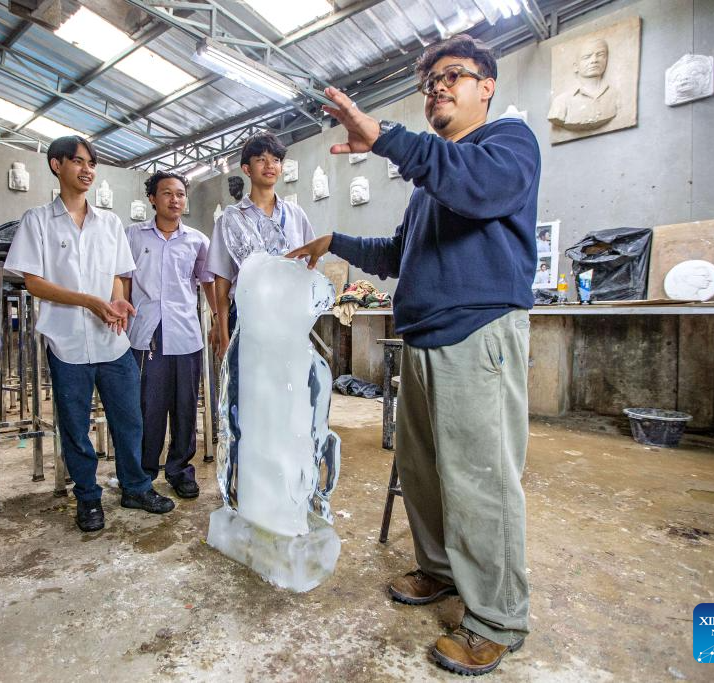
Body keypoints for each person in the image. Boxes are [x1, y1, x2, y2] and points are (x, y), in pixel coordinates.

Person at [288, 34, 541, 676]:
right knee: (425, 474)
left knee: (481, 483)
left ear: (486, 85)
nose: (438, 89)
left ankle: (498, 619)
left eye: (451, 76)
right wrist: (334, 240)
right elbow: (400, 254)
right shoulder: (433, 179)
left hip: (478, 336)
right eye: (430, 82)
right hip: (425, 339)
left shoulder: (506, 144)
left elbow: (479, 188)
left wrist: (388, 138)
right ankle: (440, 571)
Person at [5, 136, 174, 533]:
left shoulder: (110, 223)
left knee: (129, 418)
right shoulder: (37, 221)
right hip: (66, 342)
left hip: (112, 340)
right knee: (75, 426)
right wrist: (88, 302)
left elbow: (117, 275)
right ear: (56, 165)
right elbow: (34, 282)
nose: (87, 171)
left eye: (92, 164)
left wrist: (114, 302)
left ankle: (135, 486)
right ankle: (87, 497)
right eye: (78, 162)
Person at [121, 171, 216, 499]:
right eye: (167, 194)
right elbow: (123, 280)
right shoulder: (133, 236)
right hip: (147, 333)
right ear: (152, 198)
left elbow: (207, 283)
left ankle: (180, 470)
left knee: (186, 406)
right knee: (148, 407)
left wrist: (219, 318)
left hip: (186, 334)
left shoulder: (197, 241)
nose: (175, 200)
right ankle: (145, 472)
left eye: (180, 194)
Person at [206, 132, 316, 358]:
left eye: (276, 160)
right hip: (247, 318)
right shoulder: (231, 219)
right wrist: (225, 336)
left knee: (288, 388)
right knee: (249, 389)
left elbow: (309, 268)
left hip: (289, 317)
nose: (270, 166)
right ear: (247, 169)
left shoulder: (295, 214)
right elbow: (222, 282)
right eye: (261, 160)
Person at [547, 37, 618, 131]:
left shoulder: (616, 95)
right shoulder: (561, 101)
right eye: (587, 57)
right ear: (576, 66)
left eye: (600, 55)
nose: (594, 60)